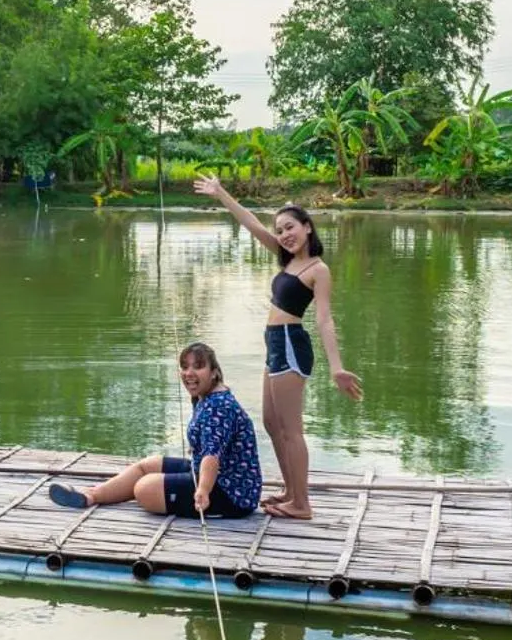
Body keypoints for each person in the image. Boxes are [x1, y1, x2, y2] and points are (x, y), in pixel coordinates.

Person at [191, 178, 361, 519]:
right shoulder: (287, 261)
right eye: (280, 229)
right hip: (275, 345)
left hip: (291, 344)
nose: (284, 234)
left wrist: (337, 367)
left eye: (291, 227)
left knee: (291, 428)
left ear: (308, 228)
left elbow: (325, 319)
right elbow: (251, 224)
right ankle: (290, 490)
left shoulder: (318, 269)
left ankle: (302, 503)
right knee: (272, 422)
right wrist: (222, 193)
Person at [48, 342, 260, 518]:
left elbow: (212, 456)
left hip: (231, 493)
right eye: (184, 367)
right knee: (147, 465)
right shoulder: (205, 396)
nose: (189, 373)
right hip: (215, 475)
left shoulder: (219, 406)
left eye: (198, 366)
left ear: (214, 372)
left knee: (144, 488)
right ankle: (91, 495)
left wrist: (203, 490)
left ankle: (102, 495)